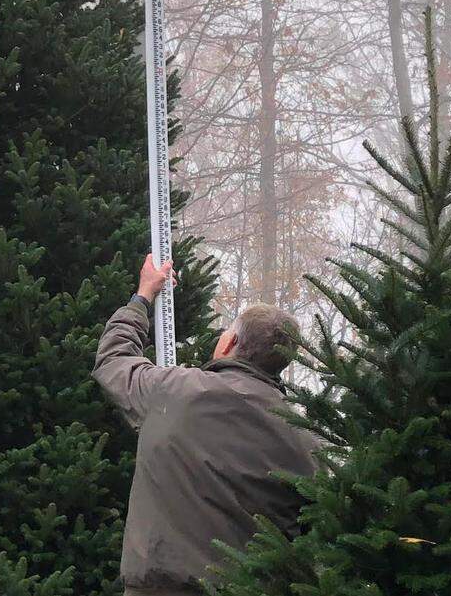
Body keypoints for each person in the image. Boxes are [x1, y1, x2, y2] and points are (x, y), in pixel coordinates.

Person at [92, 254, 317, 596]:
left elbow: (114, 360)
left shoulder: (175, 391)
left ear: (229, 343)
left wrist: (142, 297)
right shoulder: (304, 438)